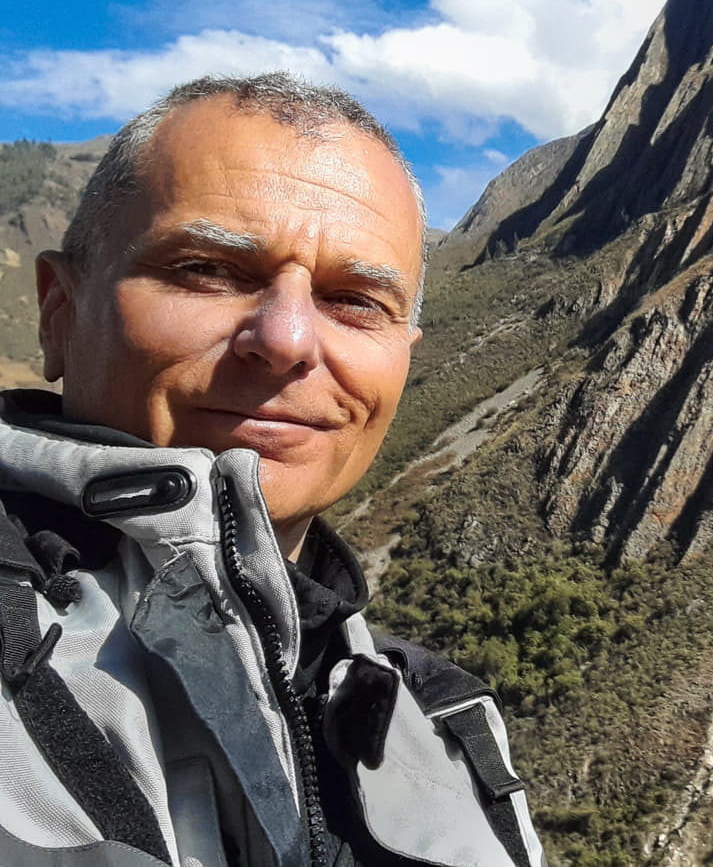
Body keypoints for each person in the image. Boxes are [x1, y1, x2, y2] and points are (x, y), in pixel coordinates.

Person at [0, 74, 546, 867]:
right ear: (59, 311)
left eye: (356, 300)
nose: (287, 338)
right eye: (210, 269)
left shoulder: (452, 726)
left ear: (401, 361)